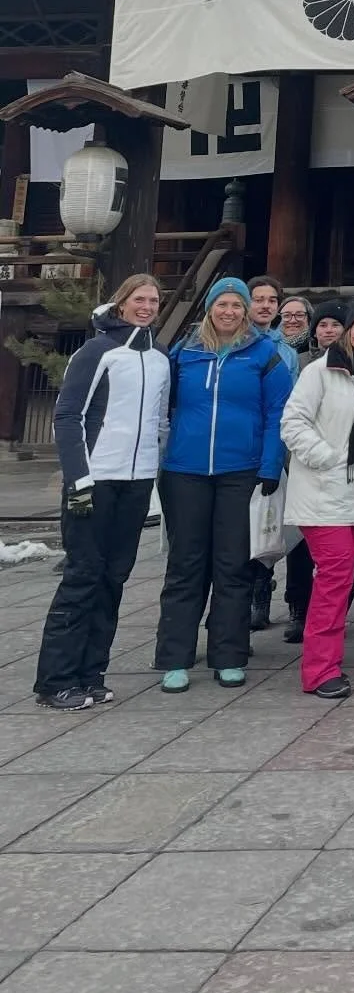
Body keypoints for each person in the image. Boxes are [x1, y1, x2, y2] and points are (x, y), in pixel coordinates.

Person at [34, 273, 171, 710]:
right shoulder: (98, 352)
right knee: (83, 577)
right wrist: (78, 478)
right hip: (95, 480)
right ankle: (55, 680)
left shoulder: (161, 358)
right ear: (121, 302)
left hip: (137, 482)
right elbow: (68, 416)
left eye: (153, 299)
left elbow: (160, 421)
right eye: (138, 299)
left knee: (114, 578)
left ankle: (92, 673)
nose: (146, 306)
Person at [154, 277, 291, 692]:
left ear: (247, 310)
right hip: (185, 470)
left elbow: (277, 414)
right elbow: (162, 407)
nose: (229, 312)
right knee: (185, 566)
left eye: (237, 305)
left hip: (240, 471)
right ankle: (174, 657)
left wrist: (270, 467)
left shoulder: (264, 355)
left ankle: (228, 655)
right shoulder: (185, 354)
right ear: (210, 308)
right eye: (222, 304)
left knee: (232, 566)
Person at [280, 298, 354, 699]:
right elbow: (292, 422)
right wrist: (327, 459)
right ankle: (320, 669)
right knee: (333, 580)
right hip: (323, 493)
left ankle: (326, 661)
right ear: (345, 331)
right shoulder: (320, 371)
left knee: (342, 582)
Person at [244, 274, 299, 632]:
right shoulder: (233, 339)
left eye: (271, 300)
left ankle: (261, 592)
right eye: (258, 299)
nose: (265, 305)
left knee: (268, 523)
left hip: (273, 447)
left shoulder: (286, 351)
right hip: (238, 446)